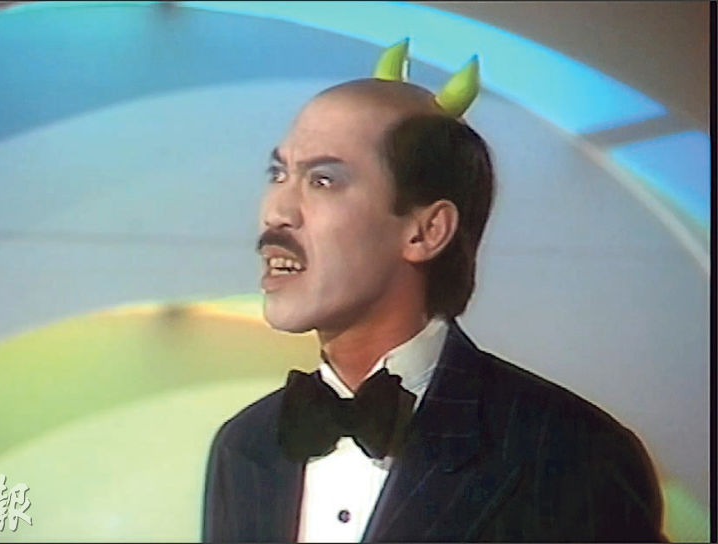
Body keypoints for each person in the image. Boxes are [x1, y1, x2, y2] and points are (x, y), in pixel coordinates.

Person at [202, 40, 665, 542]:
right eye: (278, 174)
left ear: (426, 231)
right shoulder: (246, 446)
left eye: (323, 180)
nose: (276, 211)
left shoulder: (569, 453)